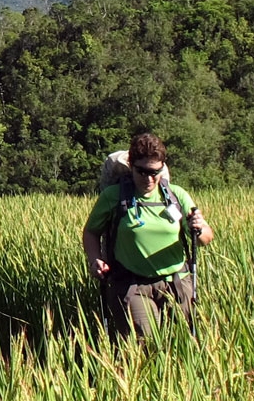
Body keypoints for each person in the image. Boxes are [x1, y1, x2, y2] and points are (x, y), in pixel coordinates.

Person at [81, 134, 213, 341]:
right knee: (145, 344)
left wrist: (198, 228)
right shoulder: (114, 196)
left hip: (176, 283)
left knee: (179, 346)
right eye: (142, 171)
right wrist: (94, 258)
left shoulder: (176, 195)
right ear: (131, 166)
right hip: (132, 285)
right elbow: (91, 232)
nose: (148, 179)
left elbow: (205, 238)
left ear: (162, 168)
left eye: (154, 172)